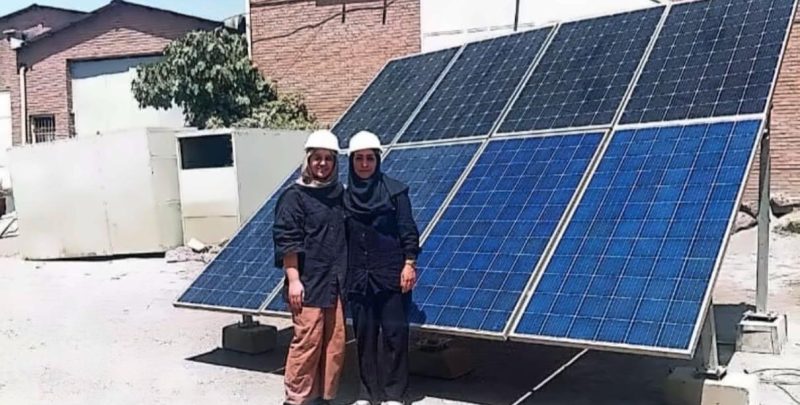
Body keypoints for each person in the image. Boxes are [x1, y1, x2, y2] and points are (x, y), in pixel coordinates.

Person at [344, 131, 421, 405]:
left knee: (394, 335)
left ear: (378, 160)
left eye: (370, 158)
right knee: (364, 338)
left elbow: (408, 230)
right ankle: (367, 394)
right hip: (359, 276)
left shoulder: (395, 192)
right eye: (359, 159)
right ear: (351, 162)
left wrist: (409, 264)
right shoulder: (345, 197)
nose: (365, 164)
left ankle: (394, 394)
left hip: (391, 274)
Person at [273, 129, 347, 405]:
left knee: (334, 342)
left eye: (328, 158)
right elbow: (287, 240)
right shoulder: (294, 196)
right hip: (308, 281)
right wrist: (294, 280)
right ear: (308, 160)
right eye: (317, 158)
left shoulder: (339, 194)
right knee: (307, 341)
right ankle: (296, 399)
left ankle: (324, 397)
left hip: (335, 281)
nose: (322, 164)